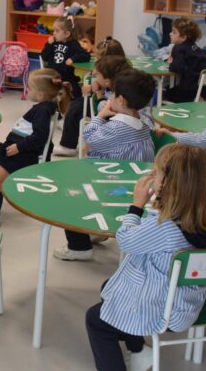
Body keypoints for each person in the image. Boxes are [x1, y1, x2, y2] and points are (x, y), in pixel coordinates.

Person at [84, 144, 206, 371]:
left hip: (164, 309)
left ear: (169, 183)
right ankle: (138, 351)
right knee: (109, 287)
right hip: (186, 300)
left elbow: (125, 240)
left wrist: (136, 206)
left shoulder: (167, 229)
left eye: (157, 171)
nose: (153, 173)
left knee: (96, 320)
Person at [57, 69, 156, 262]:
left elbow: (88, 136)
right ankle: (96, 230)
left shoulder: (116, 128)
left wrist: (101, 115)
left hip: (111, 187)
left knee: (69, 189)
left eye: (113, 94)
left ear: (121, 101)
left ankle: (79, 246)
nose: (109, 97)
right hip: (135, 188)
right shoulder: (145, 124)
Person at [0, 69, 69, 229]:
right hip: (11, 147)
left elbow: (40, 138)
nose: (27, 90)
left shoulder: (43, 110)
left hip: (23, 154)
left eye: (30, 88)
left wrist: (19, 147)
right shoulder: (42, 106)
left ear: (41, 94)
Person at [41, 16, 91, 156]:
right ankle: (59, 116)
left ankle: (67, 117)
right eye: (53, 31)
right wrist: (49, 44)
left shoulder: (73, 44)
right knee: (50, 92)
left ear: (67, 33)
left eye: (57, 31)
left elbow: (85, 55)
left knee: (73, 90)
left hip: (67, 78)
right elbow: (44, 56)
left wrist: (73, 59)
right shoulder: (52, 43)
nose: (54, 34)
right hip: (52, 77)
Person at [164, 17, 206, 103]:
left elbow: (177, 68)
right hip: (204, 90)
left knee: (165, 91)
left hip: (188, 92)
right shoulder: (195, 47)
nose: (170, 34)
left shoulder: (178, 48)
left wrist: (171, 63)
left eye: (174, 32)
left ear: (183, 37)